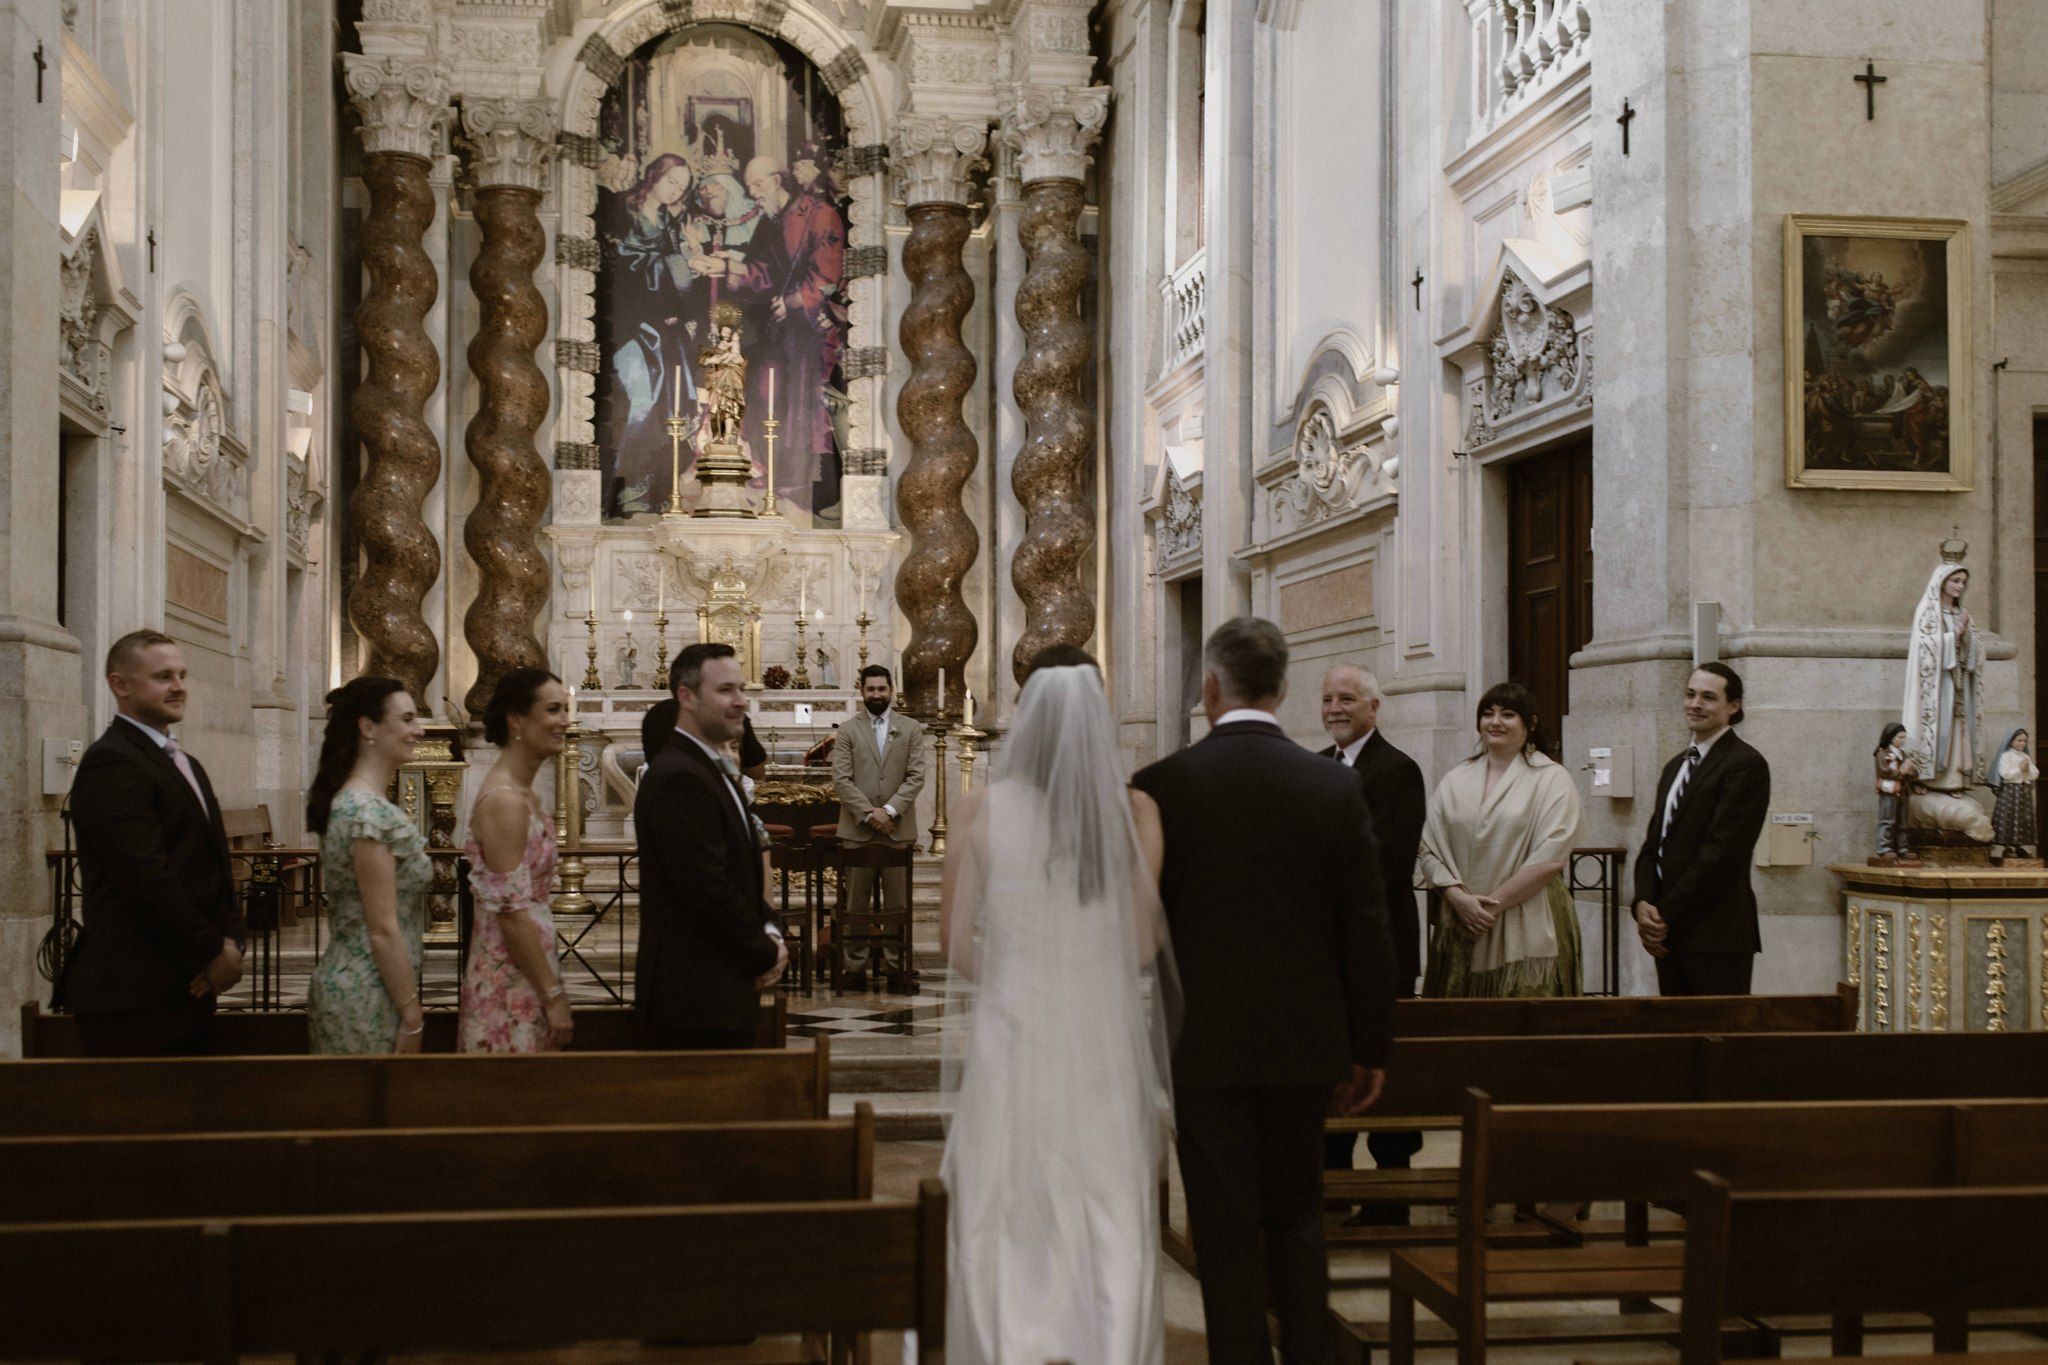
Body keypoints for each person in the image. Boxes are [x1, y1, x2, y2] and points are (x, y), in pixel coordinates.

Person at [1132, 616, 1395, 1365]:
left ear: (1210, 687)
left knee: (1220, 1226)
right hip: (1306, 1043)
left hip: (1202, 1044)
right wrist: (1370, 1045)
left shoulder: (1162, 785)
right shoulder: (1335, 785)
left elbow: (1142, 928)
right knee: (1298, 1213)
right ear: (1282, 690)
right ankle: (1309, 1350)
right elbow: (1365, 925)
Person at [938, 655, 1175, 1363]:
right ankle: (1108, 1343)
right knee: (1103, 1193)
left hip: (1012, 1025)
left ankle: (1005, 1343)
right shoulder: (1133, 810)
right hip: (1097, 1033)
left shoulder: (980, 806)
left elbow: (953, 941)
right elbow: (1139, 946)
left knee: (1004, 1196)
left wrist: (1015, 972)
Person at [57, 630, 244, 1056]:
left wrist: (231, 944)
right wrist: (212, 950)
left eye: (181, 675)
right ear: (120, 684)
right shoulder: (113, 761)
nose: (179, 686)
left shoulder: (183, 762)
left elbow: (211, 863)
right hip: (133, 994)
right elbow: (146, 877)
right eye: (163, 676)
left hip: (185, 983)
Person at [635, 643, 787, 1048]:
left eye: (741, 689)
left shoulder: (709, 769)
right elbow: (706, 891)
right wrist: (765, 950)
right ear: (686, 697)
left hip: (720, 988)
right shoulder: (679, 777)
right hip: (693, 998)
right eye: (725, 691)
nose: (741, 702)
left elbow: (743, 871)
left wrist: (771, 928)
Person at [1317, 663, 1427, 1221]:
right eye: (1329, 699)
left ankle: (1391, 1195)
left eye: (1347, 699)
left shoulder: (1398, 771)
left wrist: (1316, 883)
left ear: (1373, 707)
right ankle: (1333, 1182)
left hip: (1383, 946)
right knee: (1330, 1064)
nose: (1335, 708)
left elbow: (1388, 862)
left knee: (1387, 1062)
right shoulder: (1314, 769)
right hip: (1324, 953)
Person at [1418, 683, 1583, 998]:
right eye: (1487, 714)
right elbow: (1428, 847)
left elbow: (1551, 857)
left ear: (1529, 724)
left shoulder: (1551, 778)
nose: (1495, 722)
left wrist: (1488, 910)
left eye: (1508, 714)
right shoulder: (1456, 777)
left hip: (1528, 916)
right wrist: (1457, 898)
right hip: (1460, 917)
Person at [306, 677, 431, 1054]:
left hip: (373, 986)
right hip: (365, 993)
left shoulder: (364, 804)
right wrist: (411, 1012)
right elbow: (382, 928)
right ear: (368, 727)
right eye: (407, 719)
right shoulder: (366, 812)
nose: (419, 730)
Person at [1631, 663, 1772, 996]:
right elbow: (1654, 844)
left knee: (1717, 1039)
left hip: (1716, 935)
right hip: (1668, 935)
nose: (1695, 704)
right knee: (1675, 1039)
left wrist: (1665, 911)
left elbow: (1722, 854)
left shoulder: (1745, 764)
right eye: (1690, 694)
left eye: (1709, 697)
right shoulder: (1674, 766)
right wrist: (1642, 903)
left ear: (1733, 706)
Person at [459, 668, 573, 1053]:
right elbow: (510, 911)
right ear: (517, 720)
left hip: (527, 969)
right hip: (509, 977)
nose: (565, 721)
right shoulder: (505, 800)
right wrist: (553, 995)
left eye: (566, 710)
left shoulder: (522, 793)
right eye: (554, 710)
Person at [831, 665, 927, 991]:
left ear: (891, 689)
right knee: (855, 905)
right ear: (861, 691)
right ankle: (853, 969)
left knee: (897, 905)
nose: (876, 695)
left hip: (897, 830)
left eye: (881, 689)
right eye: (870, 689)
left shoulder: (910, 728)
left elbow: (916, 776)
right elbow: (841, 780)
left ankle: (898, 969)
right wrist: (869, 814)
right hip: (858, 831)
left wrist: (888, 811)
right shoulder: (847, 730)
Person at [1872, 721, 1920, 866]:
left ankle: (1902, 847)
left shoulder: (1903, 755)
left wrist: (1911, 773)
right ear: (1891, 737)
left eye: (1904, 737)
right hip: (1889, 790)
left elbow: (1912, 773)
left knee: (1902, 821)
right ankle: (1884, 848)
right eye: (1900, 737)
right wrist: (1902, 772)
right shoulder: (1883, 753)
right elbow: (1884, 771)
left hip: (1903, 791)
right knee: (1887, 820)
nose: (1903, 740)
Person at [1989, 727, 2039, 859]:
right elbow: (2005, 773)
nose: (2022, 743)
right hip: (2010, 792)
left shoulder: (2026, 756)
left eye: (2024, 741)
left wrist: (2027, 770)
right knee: (2009, 816)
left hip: (2023, 792)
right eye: (2019, 740)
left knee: (2023, 817)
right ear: (2011, 741)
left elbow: (2035, 773)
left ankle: (2020, 847)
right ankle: (2008, 847)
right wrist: (2019, 769)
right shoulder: (2006, 756)